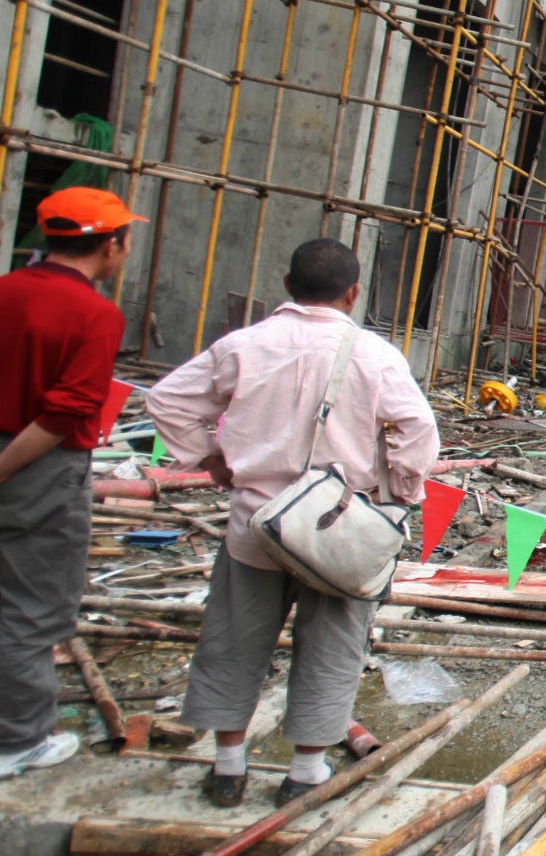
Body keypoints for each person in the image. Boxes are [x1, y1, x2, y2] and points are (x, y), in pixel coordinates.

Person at [149, 238, 440, 808]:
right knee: (333, 644)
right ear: (353, 294)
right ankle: (305, 772)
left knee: (234, 641)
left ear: (287, 285)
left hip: (256, 523)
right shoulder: (376, 355)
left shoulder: (245, 344)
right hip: (339, 527)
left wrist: (210, 459)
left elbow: (168, 401)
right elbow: (418, 432)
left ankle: (228, 768)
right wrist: (399, 495)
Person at [0, 188, 137, 778]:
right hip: (37, 468)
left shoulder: (6, 290)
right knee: (31, 609)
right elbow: (63, 414)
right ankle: (17, 741)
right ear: (110, 246)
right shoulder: (95, 314)